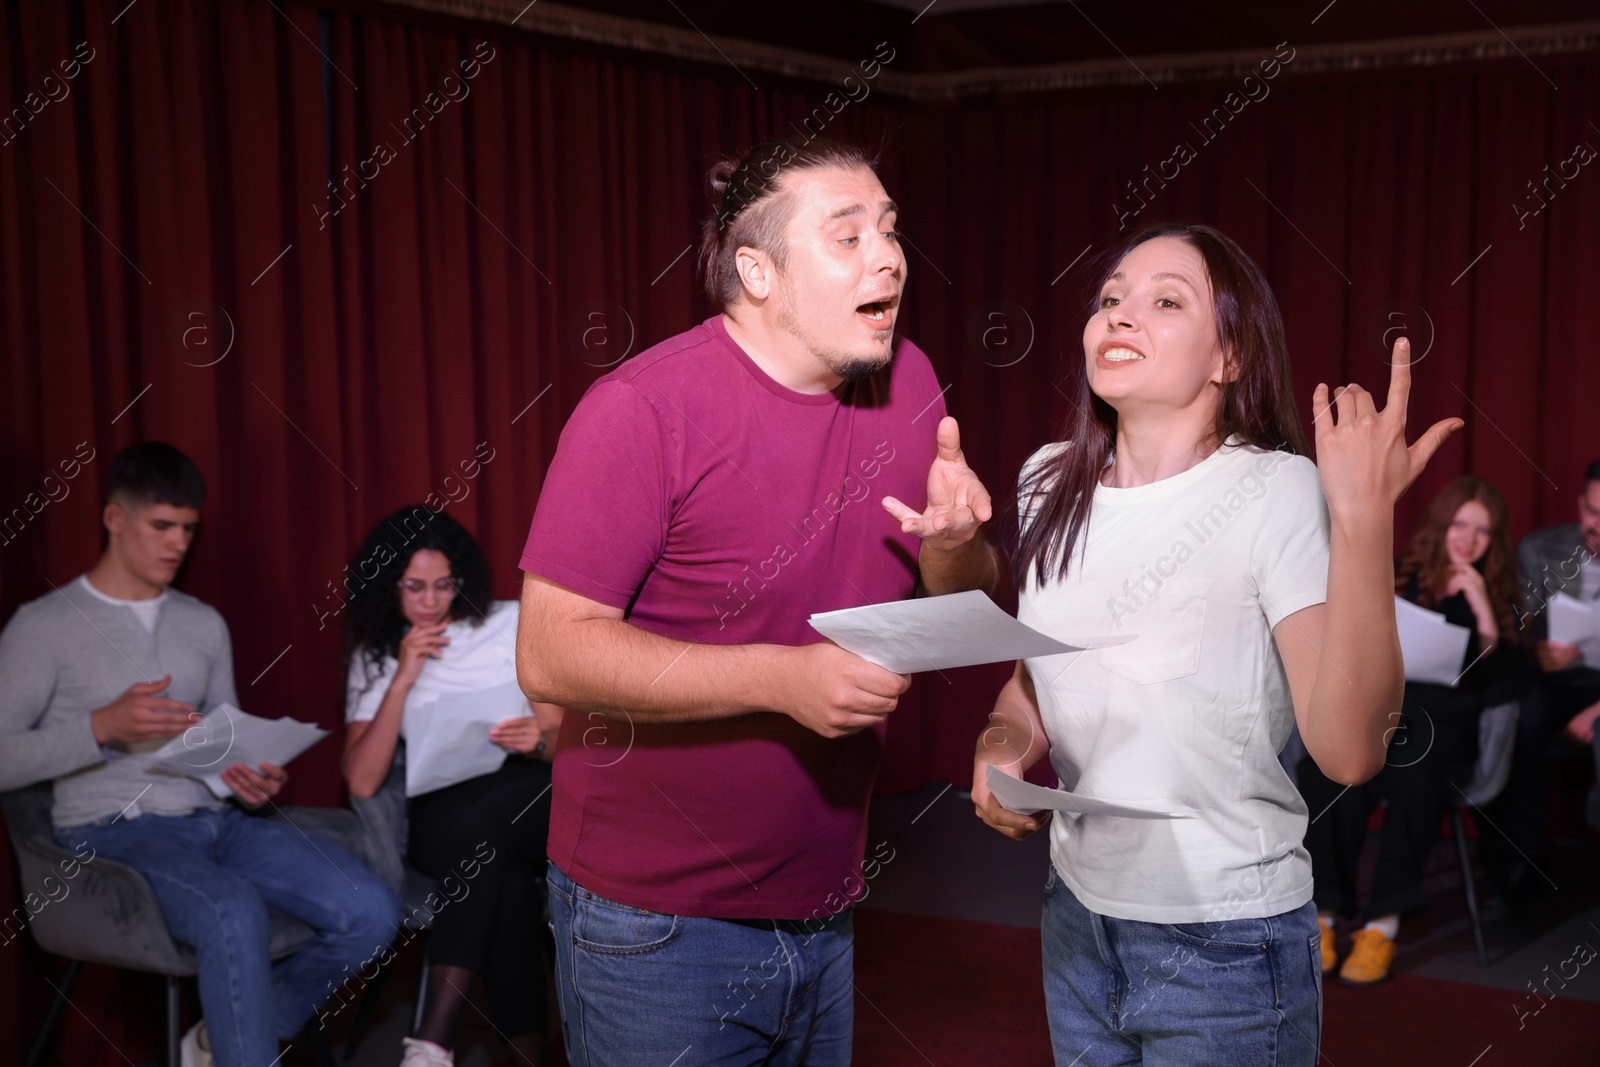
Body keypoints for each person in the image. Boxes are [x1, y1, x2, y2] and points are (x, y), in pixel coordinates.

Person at [516, 136, 998, 1065]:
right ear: (759, 271)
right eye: (848, 235)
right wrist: (784, 679)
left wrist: (958, 546)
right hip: (653, 923)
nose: (889, 256)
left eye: (891, 232)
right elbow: (551, 654)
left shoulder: (911, 382)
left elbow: (963, 600)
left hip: (826, 899)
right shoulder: (641, 410)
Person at [971, 223, 1461, 1065]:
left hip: (1227, 946)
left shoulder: (1274, 487)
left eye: (1166, 301)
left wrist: (1362, 517)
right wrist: (1002, 751)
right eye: (1110, 299)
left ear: (1228, 357)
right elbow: (1032, 681)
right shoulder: (1046, 479)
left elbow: (1349, 752)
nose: (1121, 315)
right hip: (1076, 921)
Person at [0, 442, 401, 1067]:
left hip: (215, 824)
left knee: (372, 910)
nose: (177, 543)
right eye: (162, 525)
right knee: (233, 910)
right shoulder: (42, 625)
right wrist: (100, 727)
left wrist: (243, 777)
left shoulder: (203, 623)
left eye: (188, 529)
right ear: (114, 519)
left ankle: (226, 1039)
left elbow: (218, 738)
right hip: (109, 835)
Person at [340, 507, 562, 1067]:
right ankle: (527, 1055)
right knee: (503, 880)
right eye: (413, 587)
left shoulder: (507, 621)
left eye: (444, 585)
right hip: (443, 802)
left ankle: (432, 1040)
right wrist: (403, 677)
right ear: (387, 585)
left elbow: (565, 743)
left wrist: (538, 737)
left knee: (489, 831)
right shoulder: (376, 654)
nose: (430, 601)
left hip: (525, 788)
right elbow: (362, 779)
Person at [1298, 476, 1529, 985]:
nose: (1468, 539)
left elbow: (1504, 686)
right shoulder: (1398, 574)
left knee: (1415, 773)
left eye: (1483, 532)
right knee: (1333, 771)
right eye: (1459, 525)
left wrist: (1484, 613)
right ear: (1442, 525)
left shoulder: (1502, 593)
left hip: (1446, 724)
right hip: (1384, 709)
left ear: (1494, 541)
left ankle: (1382, 923)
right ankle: (1327, 912)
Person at [1492, 460, 1600, 911]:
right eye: (1594, 513)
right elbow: (1517, 629)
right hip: (1558, 680)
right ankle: (1524, 861)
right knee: (1522, 709)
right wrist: (1536, 648)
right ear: (1580, 504)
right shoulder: (1542, 548)